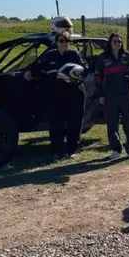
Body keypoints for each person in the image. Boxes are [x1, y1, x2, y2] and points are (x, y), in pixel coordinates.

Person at [24, 30, 87, 161]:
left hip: (75, 95)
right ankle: (58, 151)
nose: (64, 44)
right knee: (56, 124)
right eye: (61, 41)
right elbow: (37, 68)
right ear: (57, 42)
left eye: (67, 41)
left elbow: (85, 70)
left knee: (74, 124)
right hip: (55, 96)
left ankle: (72, 149)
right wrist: (29, 72)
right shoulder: (49, 56)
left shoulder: (74, 55)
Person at [93, 32, 129, 161]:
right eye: (115, 41)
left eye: (119, 42)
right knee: (112, 124)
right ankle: (116, 150)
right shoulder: (102, 58)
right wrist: (100, 95)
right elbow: (97, 78)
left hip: (126, 94)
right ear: (110, 43)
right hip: (110, 96)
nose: (117, 44)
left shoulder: (128, 56)